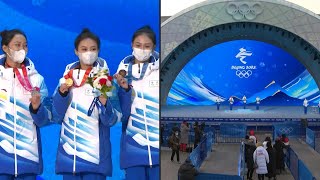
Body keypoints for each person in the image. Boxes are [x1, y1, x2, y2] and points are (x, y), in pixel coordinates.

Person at [52, 28, 125, 179]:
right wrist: (62, 94)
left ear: (98, 51)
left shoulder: (104, 79)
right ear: (76, 51)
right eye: (84, 49)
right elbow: (56, 116)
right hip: (69, 157)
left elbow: (112, 120)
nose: (88, 53)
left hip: (95, 160)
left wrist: (105, 104)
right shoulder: (66, 78)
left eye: (93, 49)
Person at [0, 29, 50, 179]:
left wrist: (36, 108)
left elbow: (44, 120)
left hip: (28, 158)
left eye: (25, 45)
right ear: (5, 48)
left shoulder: (37, 80)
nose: (22, 49)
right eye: (17, 45)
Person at [115, 26, 159, 180]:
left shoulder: (161, 71)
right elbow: (121, 113)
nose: (142, 50)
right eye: (138, 45)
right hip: (133, 147)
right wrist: (125, 90)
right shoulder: (121, 74)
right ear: (131, 45)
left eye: (147, 46)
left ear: (153, 47)